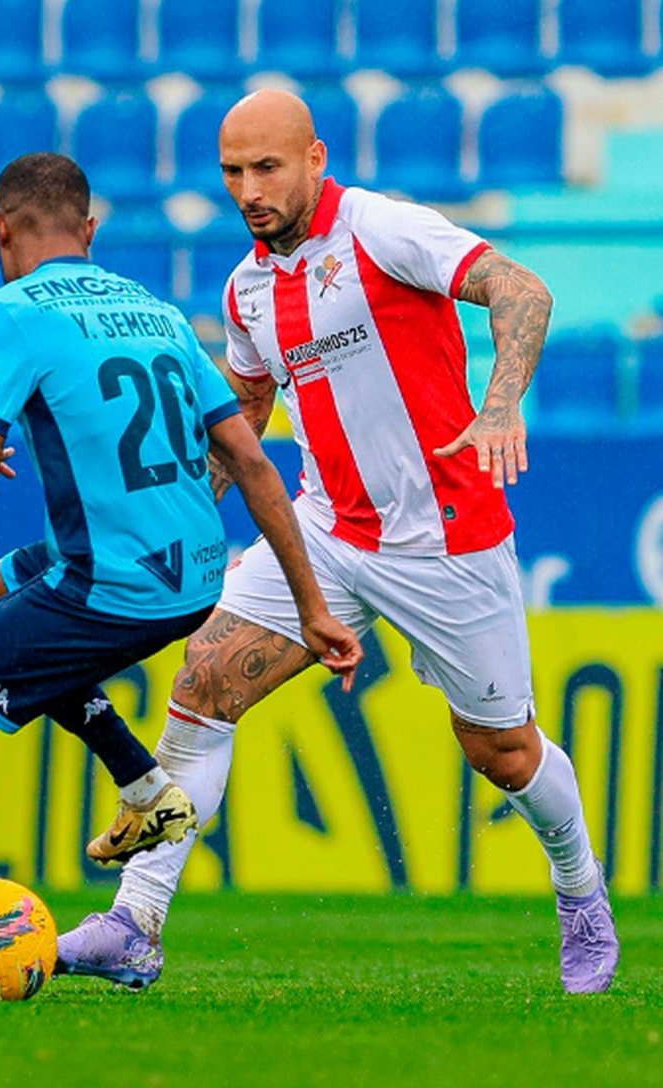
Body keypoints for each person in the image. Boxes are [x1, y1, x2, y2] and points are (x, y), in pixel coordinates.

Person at [55, 90, 620, 996]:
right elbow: (244, 418)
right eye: (233, 172)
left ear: (315, 156)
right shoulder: (246, 290)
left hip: (445, 537)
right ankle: (136, 925)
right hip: (323, 528)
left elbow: (522, 289)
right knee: (201, 686)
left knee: (501, 753)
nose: (249, 188)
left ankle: (581, 889)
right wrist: (185, 517)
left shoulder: (383, 230)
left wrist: (501, 404)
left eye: (267, 167)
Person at [0, 151, 362, 1004]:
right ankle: (147, 789)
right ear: (90, 231)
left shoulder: (9, 312)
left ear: (1, 232)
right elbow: (249, 458)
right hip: (195, 574)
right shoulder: (155, 310)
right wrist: (312, 607)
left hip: (111, 583)